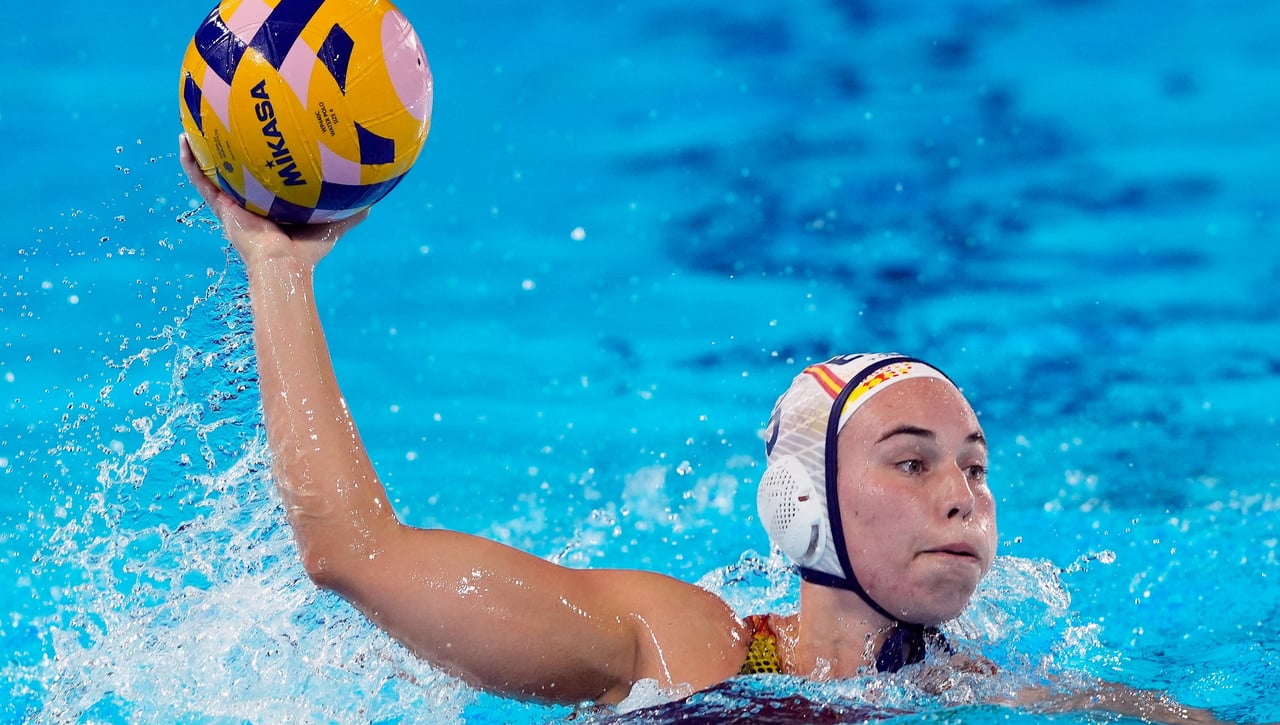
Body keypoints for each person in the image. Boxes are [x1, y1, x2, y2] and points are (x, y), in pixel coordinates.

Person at [178, 137, 1230, 723]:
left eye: (974, 466)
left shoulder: (993, 688)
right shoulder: (678, 644)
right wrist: (279, 267)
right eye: (909, 461)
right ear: (803, 502)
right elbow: (354, 554)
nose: (961, 495)